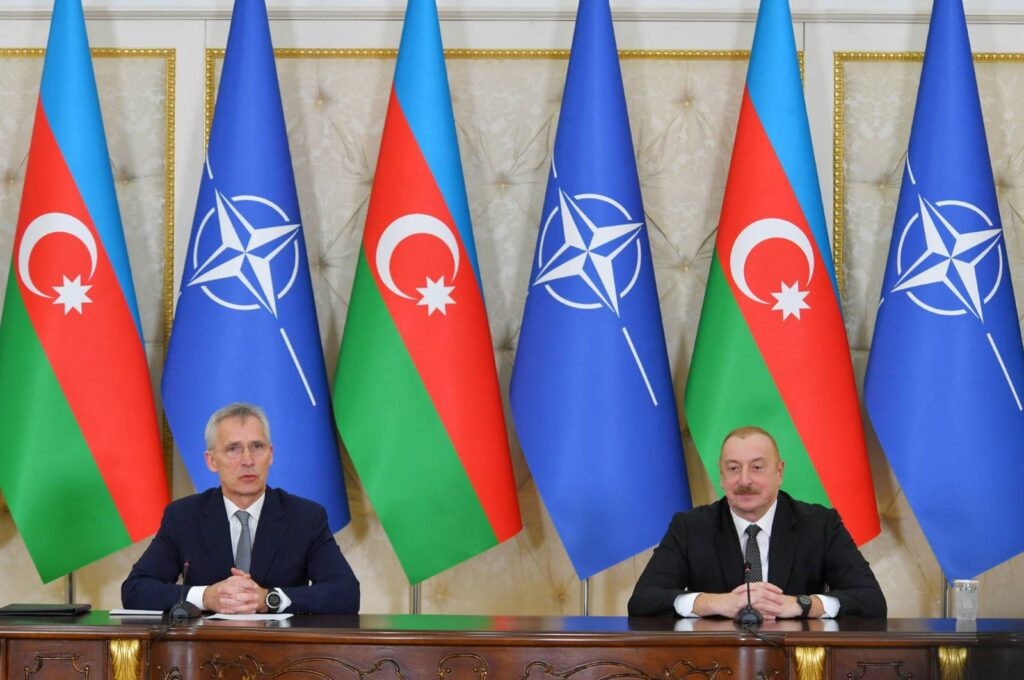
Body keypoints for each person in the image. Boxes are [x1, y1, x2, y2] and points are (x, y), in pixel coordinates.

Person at [122, 402, 359, 615]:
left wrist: (269, 598)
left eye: (257, 446)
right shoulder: (183, 517)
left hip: (282, 653)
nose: (247, 460)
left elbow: (346, 593)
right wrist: (206, 597)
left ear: (271, 455)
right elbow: (134, 590)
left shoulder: (306, 517)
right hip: (203, 654)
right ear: (211, 461)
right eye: (233, 449)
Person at [628, 426, 885, 619]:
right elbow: (642, 601)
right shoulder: (690, 527)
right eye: (733, 468)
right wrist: (712, 603)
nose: (744, 480)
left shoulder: (820, 524)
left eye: (757, 467)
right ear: (721, 475)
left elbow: (872, 600)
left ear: (779, 472)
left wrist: (802, 605)